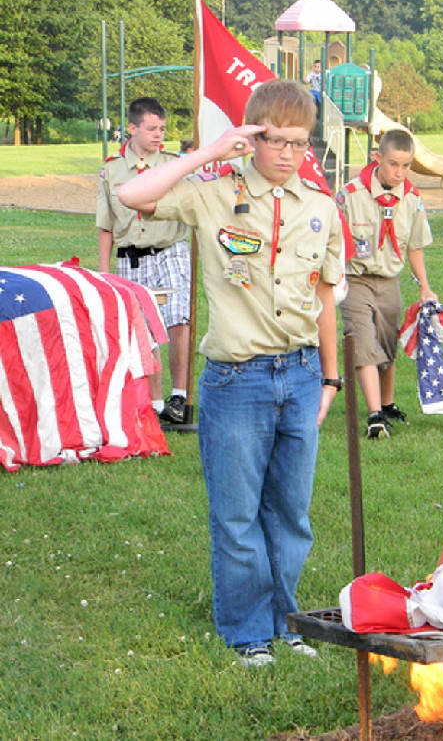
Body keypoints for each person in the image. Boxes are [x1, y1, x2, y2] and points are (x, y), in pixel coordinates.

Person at [117, 80, 344, 667]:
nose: (288, 153)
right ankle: (247, 631)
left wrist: (330, 378)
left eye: (299, 143)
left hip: (298, 378)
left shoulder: (321, 208)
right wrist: (206, 153)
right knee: (238, 513)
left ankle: (285, 621)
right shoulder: (211, 194)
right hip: (235, 380)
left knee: (291, 513)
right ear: (251, 137)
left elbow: (325, 302)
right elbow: (131, 194)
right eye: (274, 141)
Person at [96, 97, 191, 424]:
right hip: (132, 258)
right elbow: (105, 225)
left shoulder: (171, 164)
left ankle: (179, 397)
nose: (158, 135)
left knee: (178, 318)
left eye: (162, 129)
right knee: (143, 327)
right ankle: (154, 404)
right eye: (151, 128)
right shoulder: (112, 169)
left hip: (169, 249)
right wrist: (105, 273)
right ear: (132, 128)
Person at [337, 128, 436, 439]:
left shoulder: (411, 199)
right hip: (355, 279)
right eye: (393, 164)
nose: (399, 172)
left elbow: (414, 246)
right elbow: (333, 243)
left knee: (387, 344)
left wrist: (424, 285)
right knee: (364, 343)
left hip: (389, 280)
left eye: (406, 166)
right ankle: (374, 415)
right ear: (376, 158)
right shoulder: (350, 195)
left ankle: (388, 403)